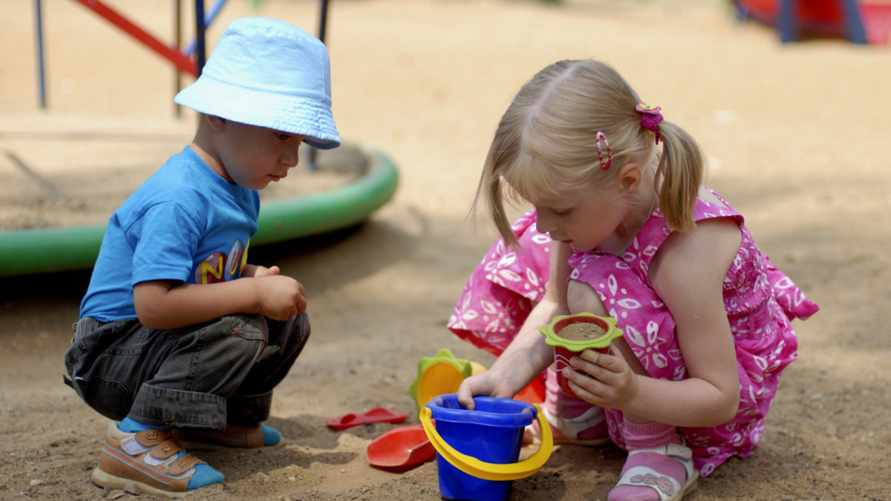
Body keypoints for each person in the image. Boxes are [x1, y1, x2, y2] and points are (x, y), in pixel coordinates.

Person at [450, 59, 819, 501]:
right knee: (554, 263)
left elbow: (720, 397)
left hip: (701, 410)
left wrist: (633, 393)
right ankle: (582, 412)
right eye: (539, 205)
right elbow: (554, 304)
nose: (546, 224)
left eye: (560, 210)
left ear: (626, 179)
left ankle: (660, 448)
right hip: (634, 382)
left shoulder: (688, 249)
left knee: (594, 286)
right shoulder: (596, 207)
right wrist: (504, 377)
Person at [63, 17, 340, 497]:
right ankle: (135, 441)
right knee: (243, 327)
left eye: (298, 142)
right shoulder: (180, 198)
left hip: (155, 345)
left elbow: (204, 272)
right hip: (111, 356)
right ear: (219, 116)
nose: (292, 159)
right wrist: (250, 291)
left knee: (289, 320)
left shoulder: (240, 187)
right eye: (281, 136)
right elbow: (154, 305)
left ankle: (215, 421)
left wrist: (249, 274)